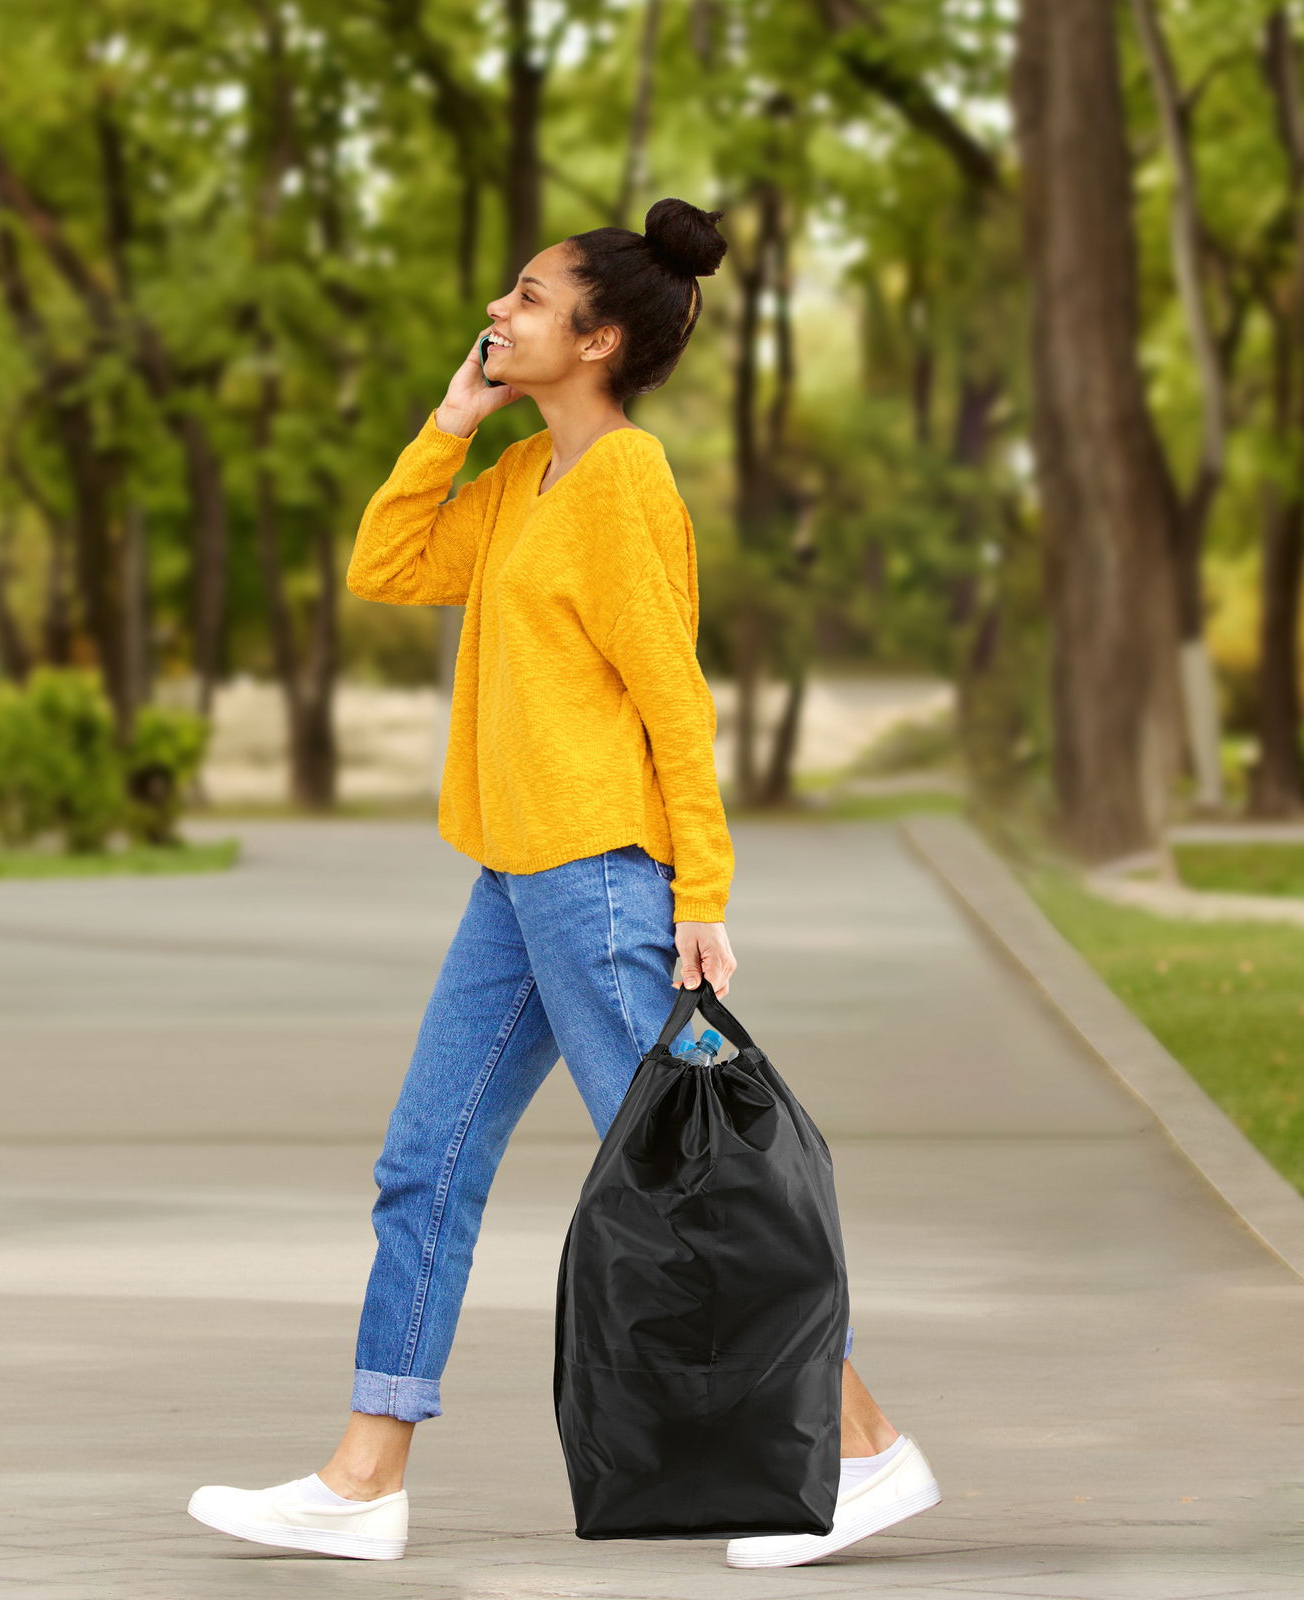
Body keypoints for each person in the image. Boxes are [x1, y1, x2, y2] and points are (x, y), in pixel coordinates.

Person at [187, 197, 938, 1568]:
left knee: (689, 1185)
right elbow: (384, 564)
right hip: (517, 878)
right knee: (425, 1165)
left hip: (598, 879)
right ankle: (364, 1481)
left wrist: (700, 889)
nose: (500, 308)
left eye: (529, 297)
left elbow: (674, 696)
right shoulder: (522, 476)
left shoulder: (624, 483)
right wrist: (451, 424)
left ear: (597, 339)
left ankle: (868, 1452)